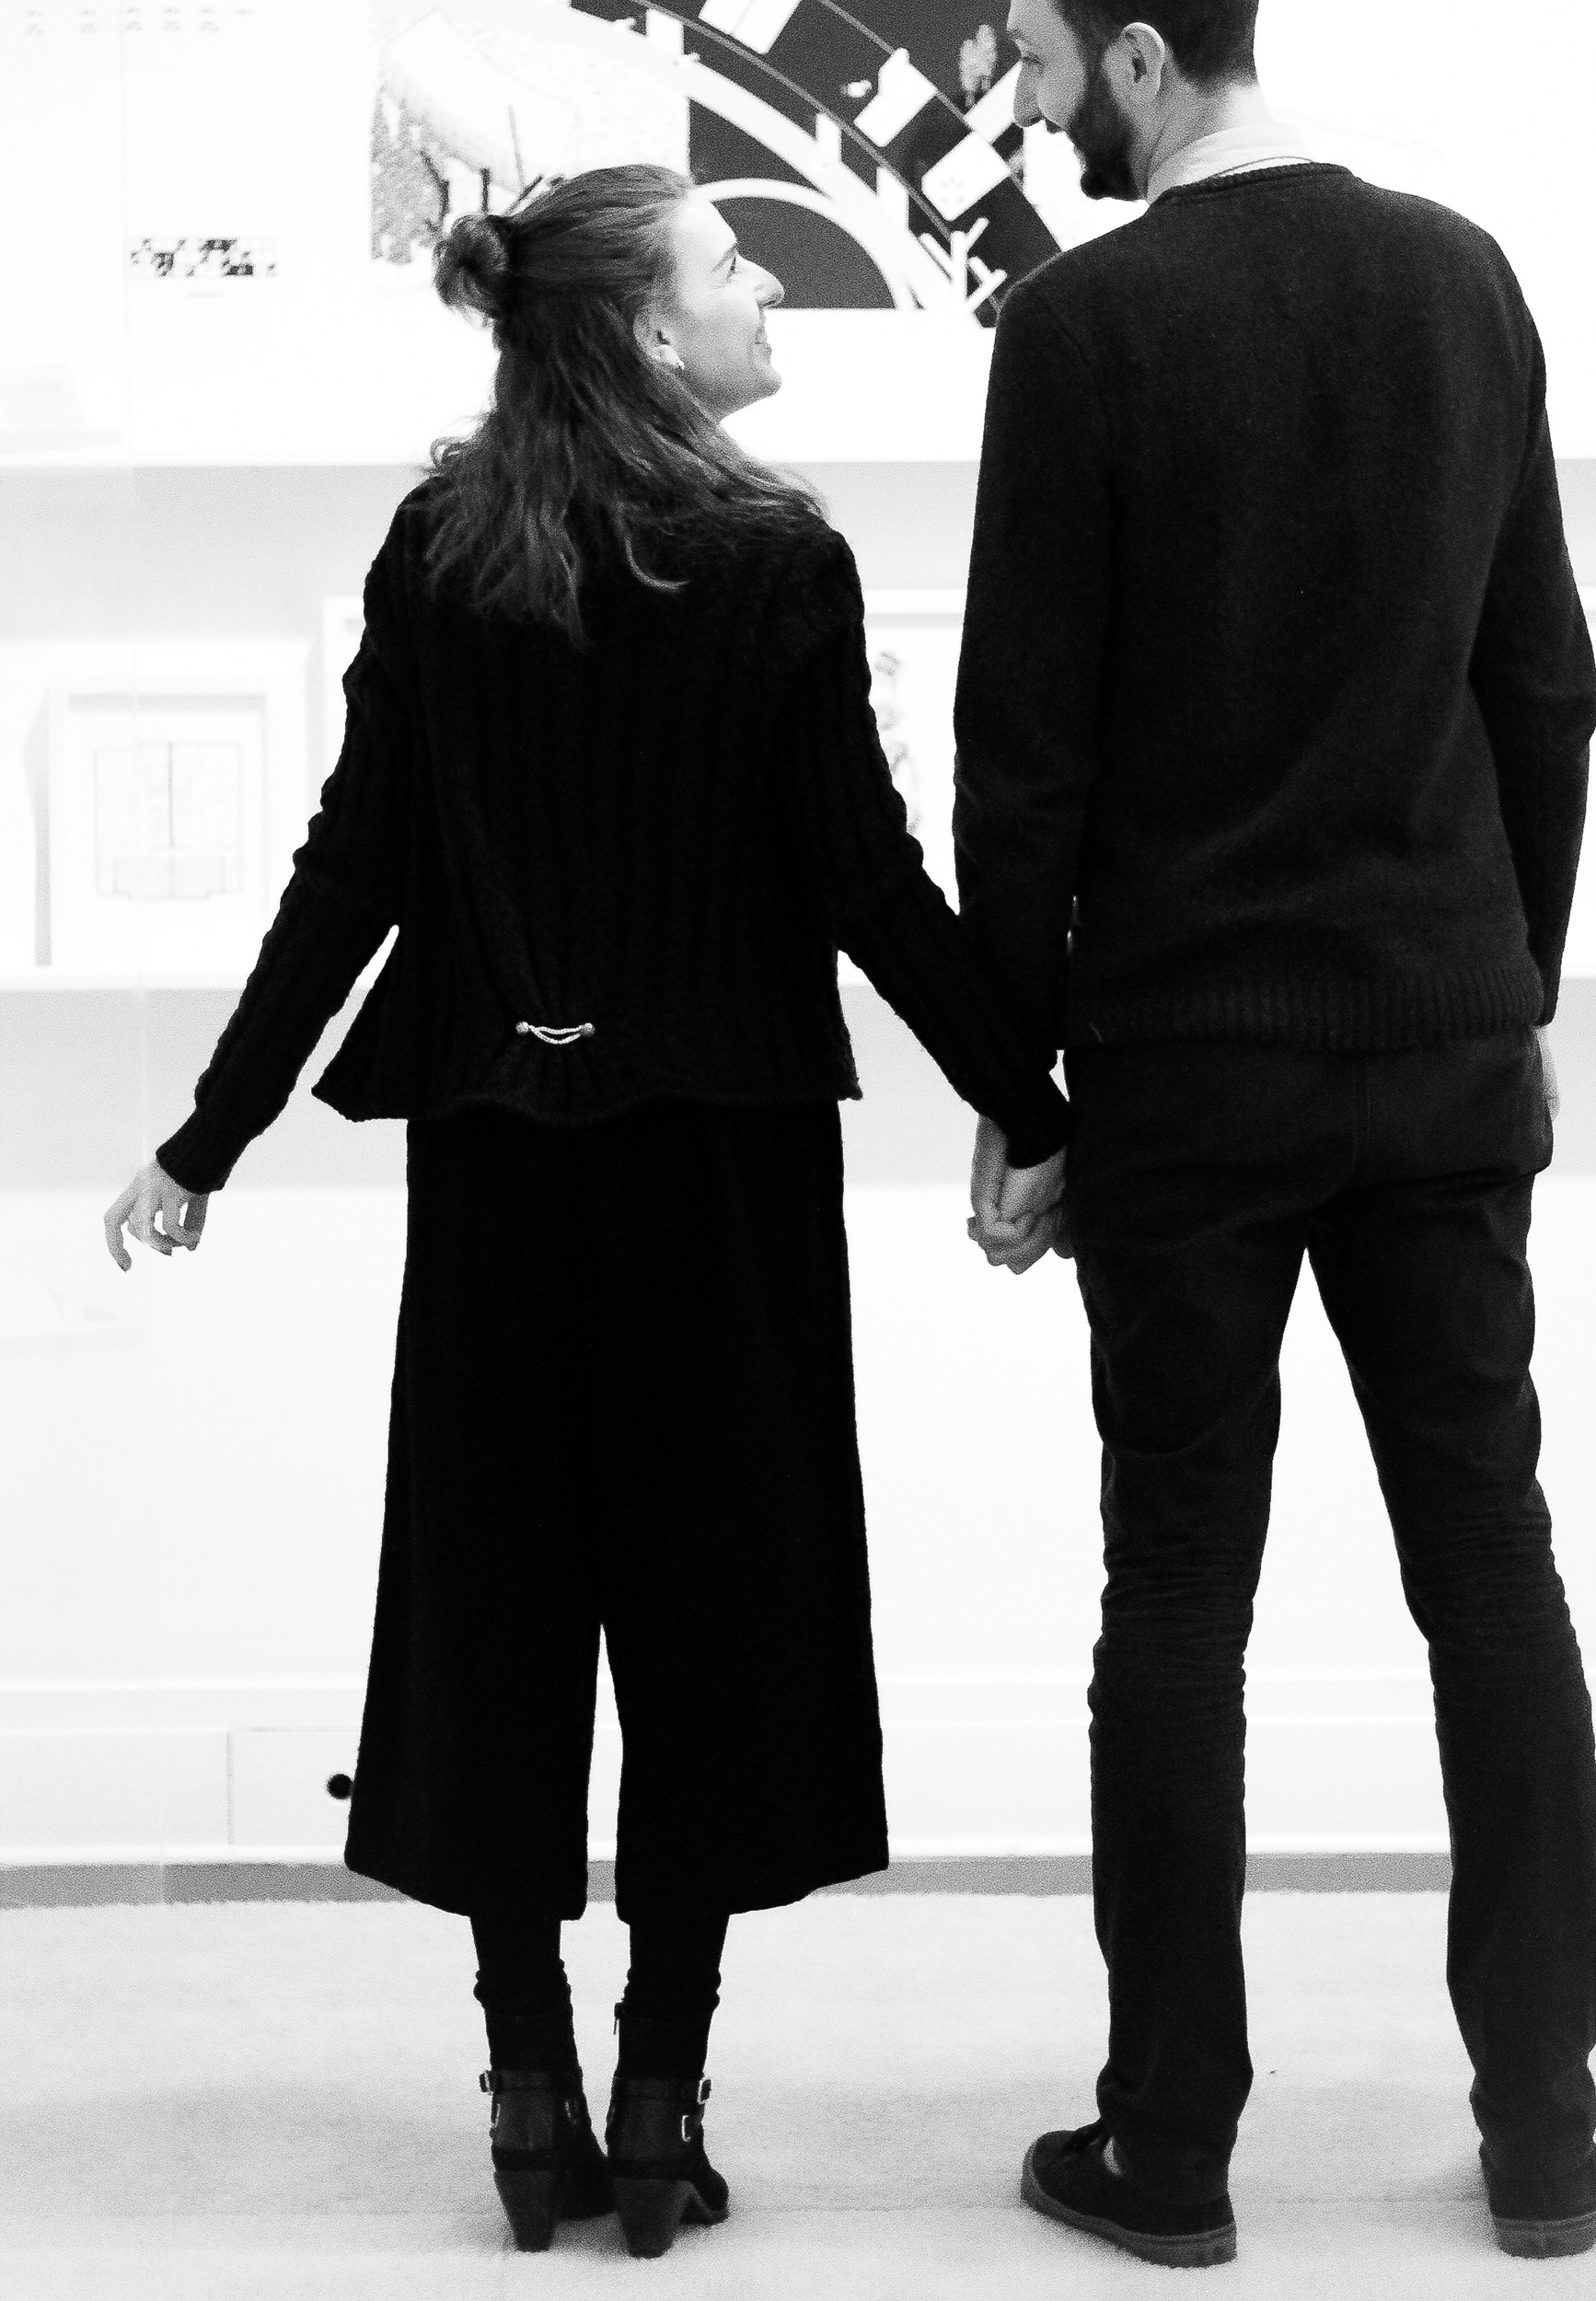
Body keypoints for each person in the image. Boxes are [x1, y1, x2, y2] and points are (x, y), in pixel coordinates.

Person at [101, 166, 1069, 2261]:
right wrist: (1038, 1098)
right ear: (642, 327)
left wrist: (211, 1132)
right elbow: (867, 885)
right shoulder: (777, 561)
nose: (760, 280)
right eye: (727, 261)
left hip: (496, 1158)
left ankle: (526, 2082)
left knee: (499, 1614)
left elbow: (353, 869)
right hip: (723, 1168)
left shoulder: (442, 553)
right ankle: (656, 2095)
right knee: (716, 1615)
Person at [957, 0, 1596, 2269]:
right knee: (1493, 1573)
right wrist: (1505, 983)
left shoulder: (1084, 327)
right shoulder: (1465, 282)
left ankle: (1173, 2148)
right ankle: (1541, 2132)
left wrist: (1021, 1096)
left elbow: (1024, 762)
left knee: (1176, 1599)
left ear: (1144, 60)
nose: (1038, 113)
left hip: (1190, 1074)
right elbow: (1545, 688)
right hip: (1439, 1050)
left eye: (1047, 65)